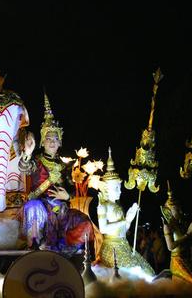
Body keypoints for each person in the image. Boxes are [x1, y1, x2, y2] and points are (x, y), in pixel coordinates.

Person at [19, 94, 93, 255]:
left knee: (85, 223)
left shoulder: (64, 166)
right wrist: (27, 154)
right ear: (42, 142)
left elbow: (72, 191)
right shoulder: (36, 161)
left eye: (55, 138)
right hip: (41, 207)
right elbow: (24, 168)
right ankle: (35, 248)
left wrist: (67, 197)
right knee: (33, 208)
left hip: (61, 210)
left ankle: (64, 248)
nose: (52, 141)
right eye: (48, 138)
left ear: (60, 142)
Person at [96, 148, 155, 276]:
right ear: (107, 188)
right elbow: (103, 229)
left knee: (146, 270)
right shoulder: (103, 206)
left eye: (119, 187)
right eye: (116, 188)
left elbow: (125, 228)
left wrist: (130, 217)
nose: (120, 191)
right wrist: (124, 221)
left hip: (123, 244)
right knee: (134, 271)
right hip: (111, 247)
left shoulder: (118, 206)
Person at [160, 182, 192, 285]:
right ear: (169, 211)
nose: (180, 211)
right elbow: (170, 246)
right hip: (177, 260)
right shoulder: (168, 226)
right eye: (176, 209)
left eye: (180, 208)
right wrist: (188, 234)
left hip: (187, 258)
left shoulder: (181, 224)